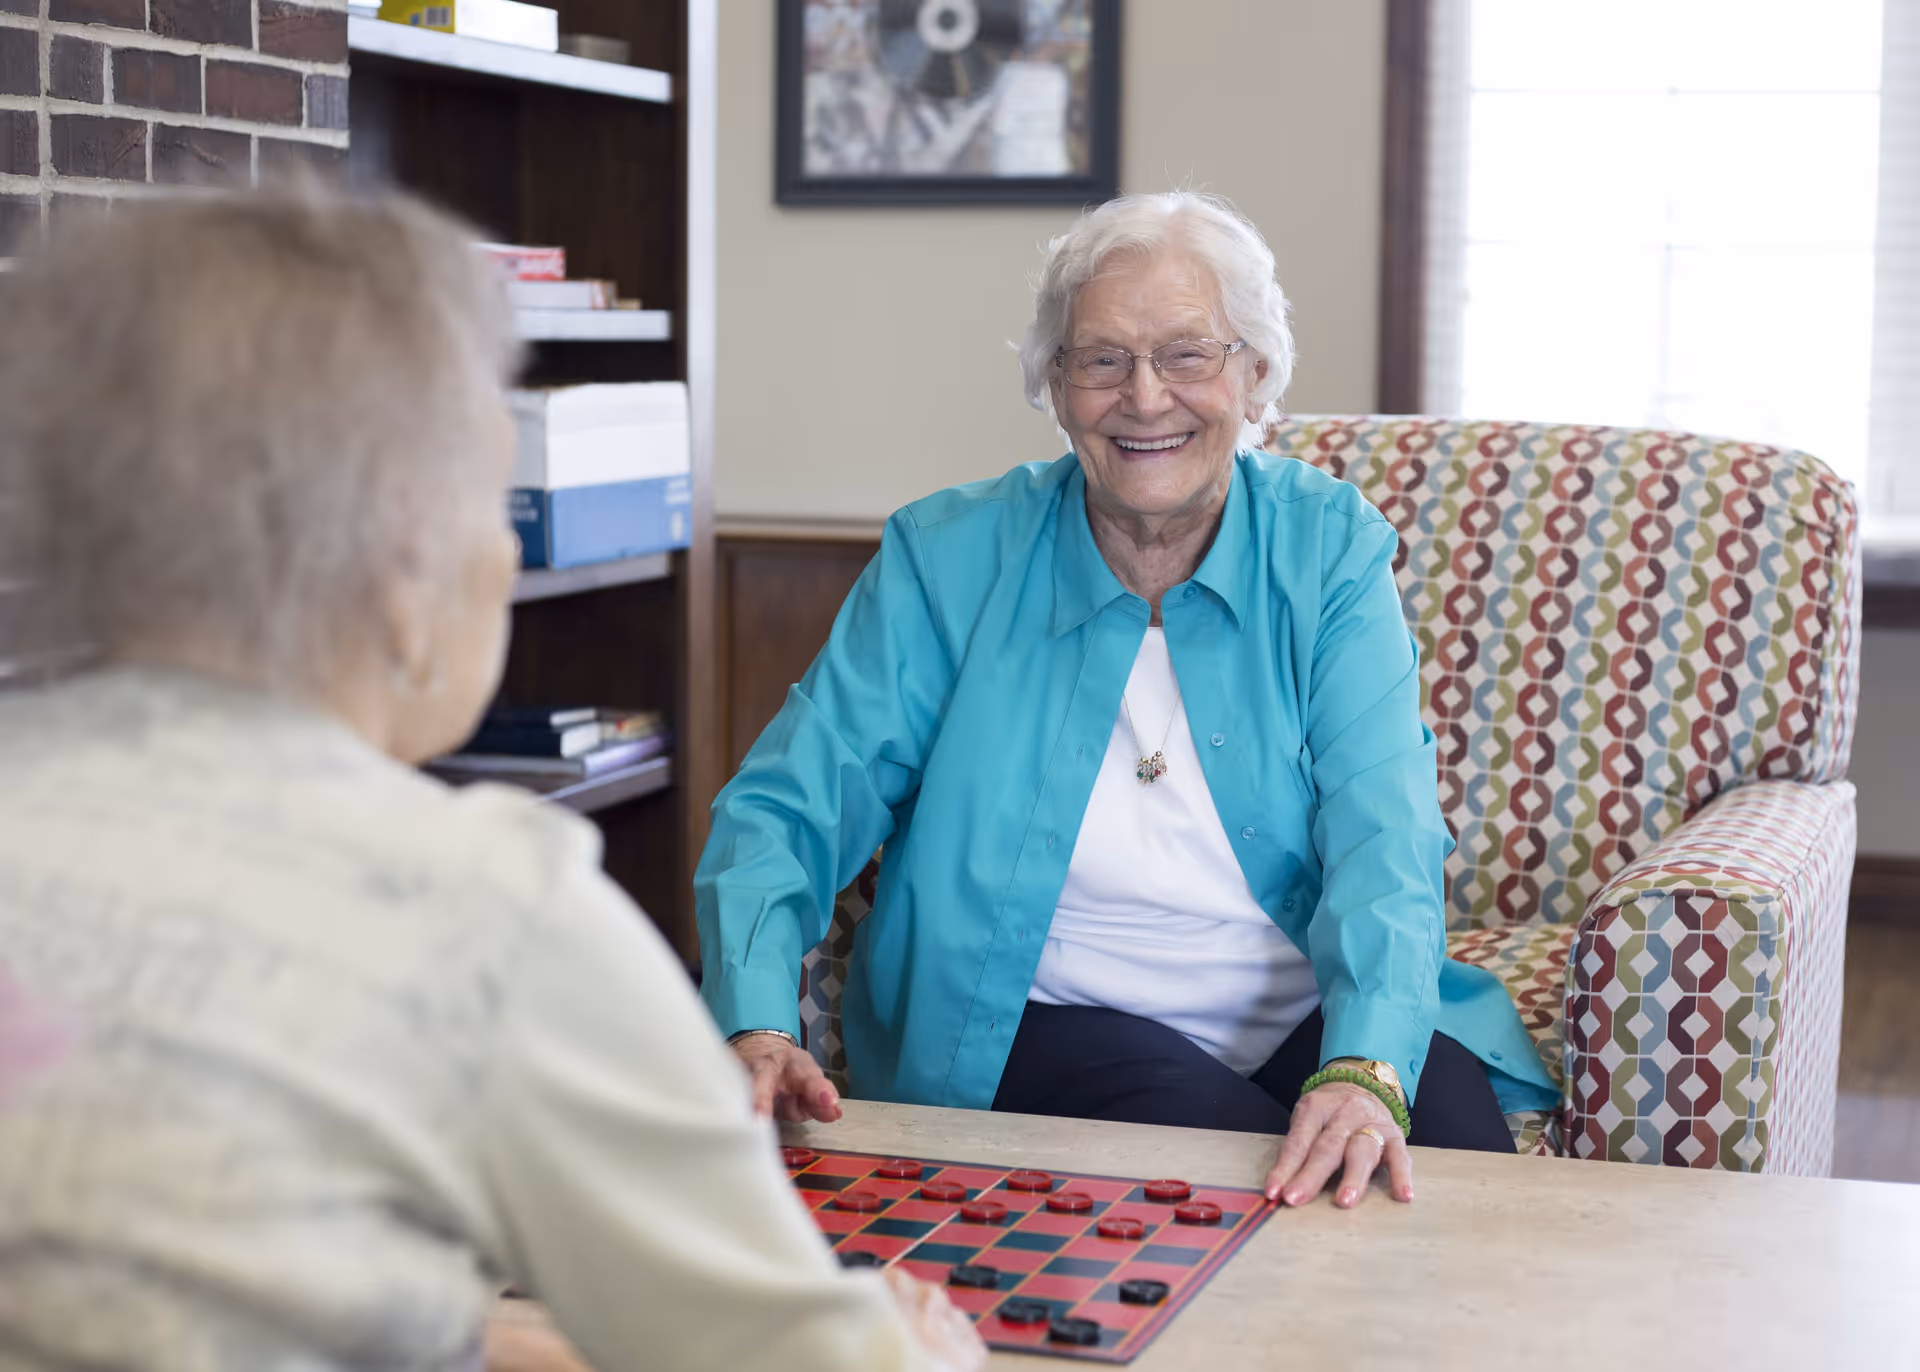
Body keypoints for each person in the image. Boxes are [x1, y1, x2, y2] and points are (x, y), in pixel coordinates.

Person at [0, 187, 982, 1372]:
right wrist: (908, 1345)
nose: (511, 550)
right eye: (495, 499)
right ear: (403, 561)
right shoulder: (487, 908)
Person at [696, 191, 1561, 1211]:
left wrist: (1366, 1063)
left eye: (1188, 354)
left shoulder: (1328, 549)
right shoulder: (948, 558)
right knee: (1279, 1206)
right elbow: (787, 804)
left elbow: (1387, 830)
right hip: (1052, 1015)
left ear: (1256, 374)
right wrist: (756, 1022)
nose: (1145, 397)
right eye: (1101, 359)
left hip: (1301, 1011)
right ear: (1056, 387)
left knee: (1452, 1175)